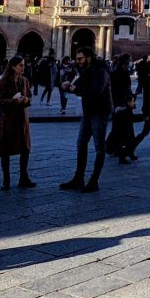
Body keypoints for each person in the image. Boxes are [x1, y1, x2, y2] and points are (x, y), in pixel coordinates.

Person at [60, 46, 113, 192]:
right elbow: (79, 84)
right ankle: (78, 178)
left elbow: (96, 92)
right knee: (81, 144)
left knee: (99, 147)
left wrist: (75, 89)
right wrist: (67, 86)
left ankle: (94, 181)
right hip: (89, 111)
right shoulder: (87, 70)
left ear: (89, 57)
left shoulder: (101, 71)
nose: (77, 62)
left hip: (100, 112)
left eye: (80, 59)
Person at [0, 56, 35, 190]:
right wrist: (13, 101)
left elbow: (29, 97)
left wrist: (25, 100)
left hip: (22, 118)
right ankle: (6, 180)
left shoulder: (25, 81)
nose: (23, 68)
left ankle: (24, 177)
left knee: (25, 148)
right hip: (8, 119)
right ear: (13, 66)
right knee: (6, 149)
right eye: (20, 65)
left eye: (23, 65)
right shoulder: (4, 82)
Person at [107, 54, 137, 165]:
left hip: (119, 103)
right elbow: (124, 88)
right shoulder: (121, 72)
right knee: (124, 131)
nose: (130, 62)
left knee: (118, 129)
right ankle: (123, 153)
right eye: (129, 60)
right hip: (122, 104)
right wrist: (130, 98)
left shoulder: (115, 71)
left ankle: (115, 150)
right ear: (125, 61)